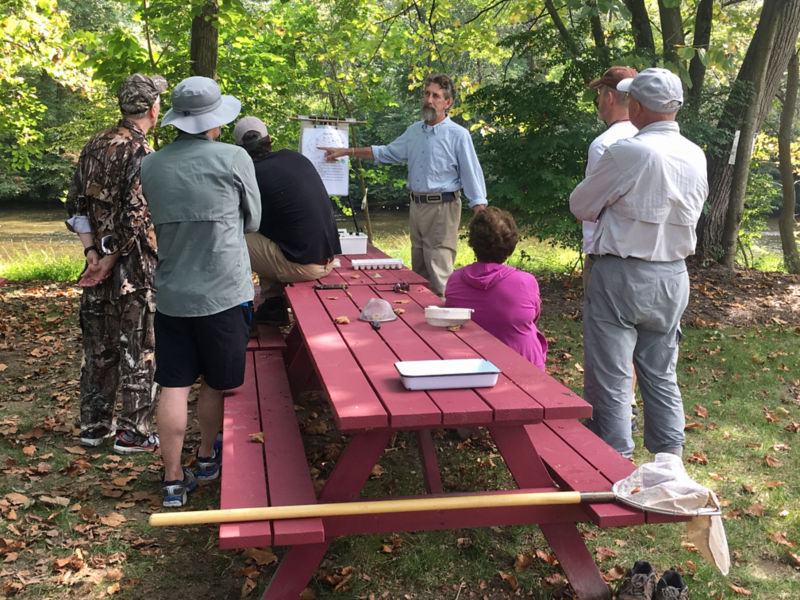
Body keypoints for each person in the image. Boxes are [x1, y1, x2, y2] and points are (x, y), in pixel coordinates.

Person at [569, 68, 708, 459]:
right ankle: (669, 462)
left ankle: (614, 464)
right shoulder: (695, 153)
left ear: (640, 107)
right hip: (674, 274)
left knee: (612, 376)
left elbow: (581, 206)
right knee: (662, 374)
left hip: (623, 274)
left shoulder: (629, 150)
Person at [140, 76, 261, 508]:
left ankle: (173, 480)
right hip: (224, 293)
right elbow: (253, 221)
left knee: (173, 385)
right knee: (213, 384)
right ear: (216, 120)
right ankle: (207, 458)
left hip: (173, 292)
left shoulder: (150, 164)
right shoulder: (234, 158)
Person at [65, 73, 166, 453]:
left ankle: (93, 426)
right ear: (153, 108)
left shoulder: (93, 145)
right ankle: (133, 432)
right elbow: (135, 217)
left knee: (99, 349)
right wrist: (106, 261)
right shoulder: (143, 154)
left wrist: (90, 253)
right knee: (139, 346)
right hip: (134, 268)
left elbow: (75, 204)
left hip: (97, 268)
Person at [319, 73, 487, 296]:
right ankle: (422, 322)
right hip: (417, 206)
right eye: (426, 94)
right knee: (418, 273)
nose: (428, 100)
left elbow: (471, 175)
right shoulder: (414, 132)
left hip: (443, 209)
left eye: (436, 96)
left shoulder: (458, 135)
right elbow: (385, 152)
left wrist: (481, 216)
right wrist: (347, 151)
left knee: (439, 272)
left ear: (448, 102)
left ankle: (446, 325)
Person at [233, 116, 341, 325]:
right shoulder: (295, 158)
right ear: (270, 139)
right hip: (328, 259)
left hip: (304, 266)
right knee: (265, 234)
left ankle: (237, 313)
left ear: (237, 148)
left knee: (230, 235)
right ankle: (274, 304)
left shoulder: (250, 175)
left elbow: (240, 220)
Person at [445, 207, 547, 370]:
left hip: (469, 364)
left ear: (473, 242)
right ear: (511, 243)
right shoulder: (525, 282)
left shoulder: (455, 280)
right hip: (523, 367)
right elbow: (533, 316)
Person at [581, 66, 638, 289]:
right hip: (650, 258)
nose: (597, 99)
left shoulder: (603, 145)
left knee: (601, 322)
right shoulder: (651, 138)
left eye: (600, 92)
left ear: (610, 97)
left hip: (605, 258)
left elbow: (588, 206)